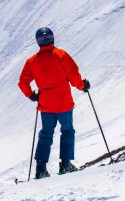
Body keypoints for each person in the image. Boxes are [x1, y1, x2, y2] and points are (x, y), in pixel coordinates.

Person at [18, 27, 90, 179]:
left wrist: (31, 96)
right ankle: (65, 165)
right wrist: (82, 86)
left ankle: (41, 169)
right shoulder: (60, 55)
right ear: (52, 38)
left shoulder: (32, 61)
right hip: (63, 103)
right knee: (67, 131)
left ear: (38, 42)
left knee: (46, 134)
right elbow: (73, 75)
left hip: (46, 105)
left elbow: (22, 82)